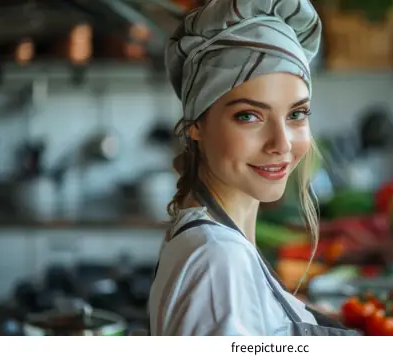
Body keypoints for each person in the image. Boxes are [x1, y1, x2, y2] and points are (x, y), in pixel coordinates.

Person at [148, 0, 359, 336]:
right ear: (196, 124)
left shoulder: (221, 244)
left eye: (296, 114)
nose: (282, 143)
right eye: (249, 116)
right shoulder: (218, 261)